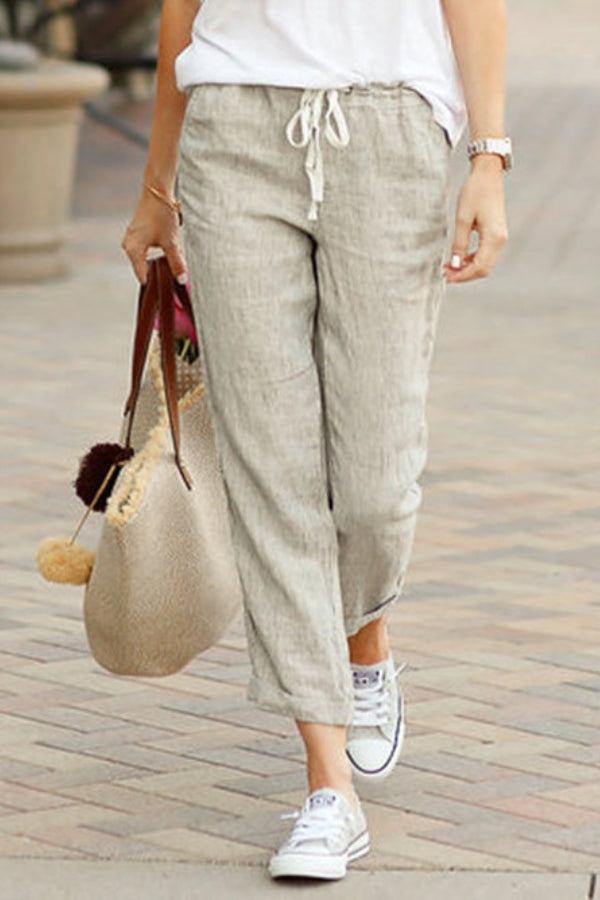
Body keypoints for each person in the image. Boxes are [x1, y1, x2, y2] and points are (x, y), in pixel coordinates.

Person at [122, 0, 510, 882]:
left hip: (387, 124)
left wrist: (490, 155)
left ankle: (364, 639)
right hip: (233, 126)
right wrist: (157, 187)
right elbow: (183, 7)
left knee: (374, 487)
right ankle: (328, 784)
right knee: (272, 466)